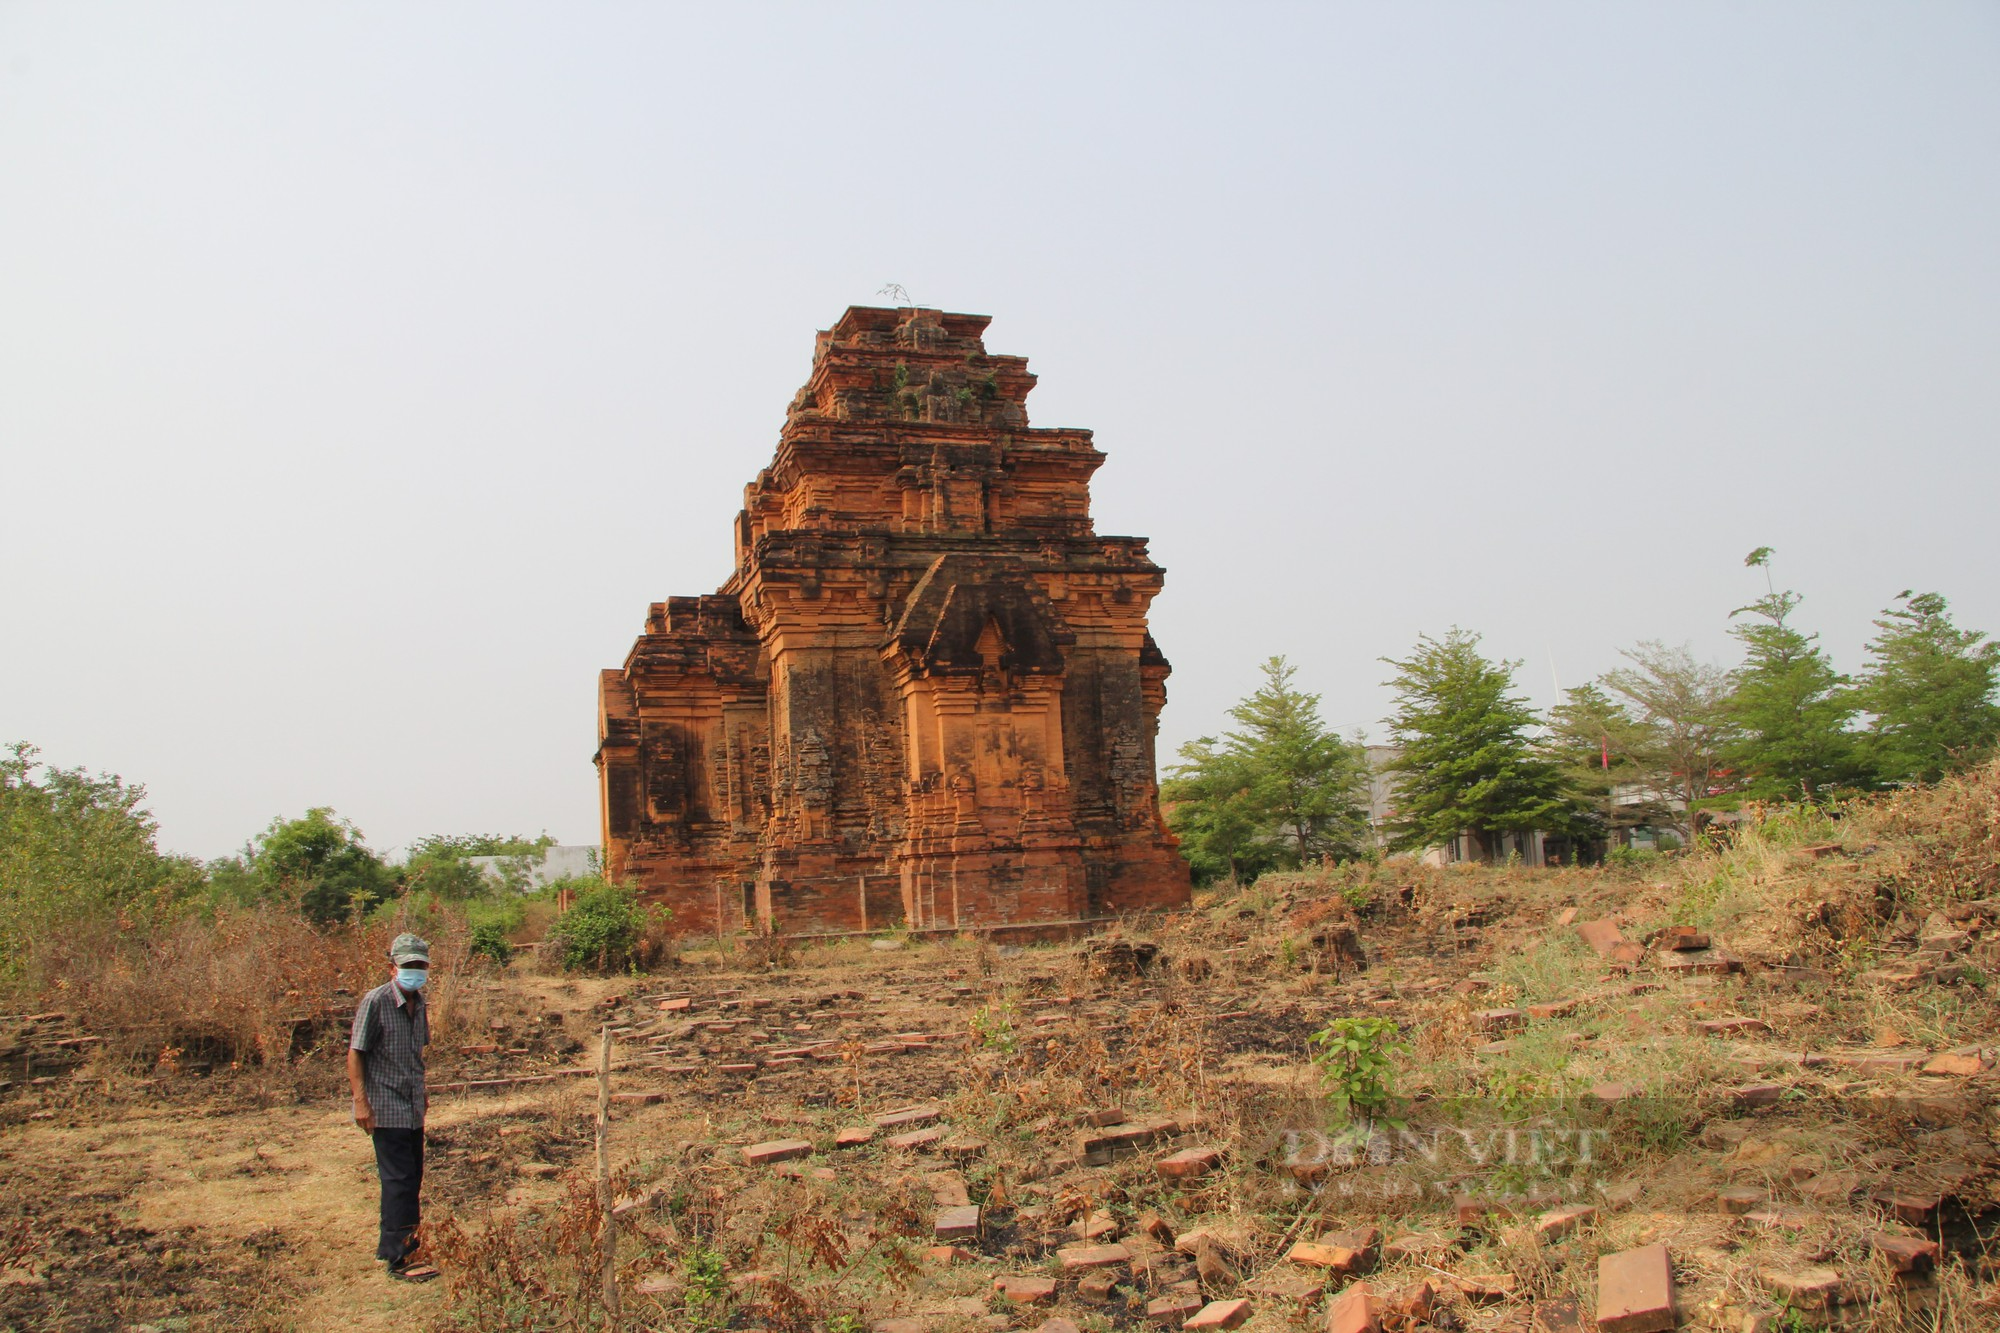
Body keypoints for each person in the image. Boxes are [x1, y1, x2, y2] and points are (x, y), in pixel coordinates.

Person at [349, 931, 439, 1281]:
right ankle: (398, 1258)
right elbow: (356, 1053)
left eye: (420, 965)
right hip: (385, 1104)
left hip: (412, 1103)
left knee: (412, 1177)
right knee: (398, 1179)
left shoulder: (421, 1004)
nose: (415, 971)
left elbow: (417, 1054)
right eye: (408, 965)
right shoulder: (376, 1002)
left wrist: (423, 1093)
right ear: (392, 968)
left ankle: (407, 1246)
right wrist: (361, 1102)